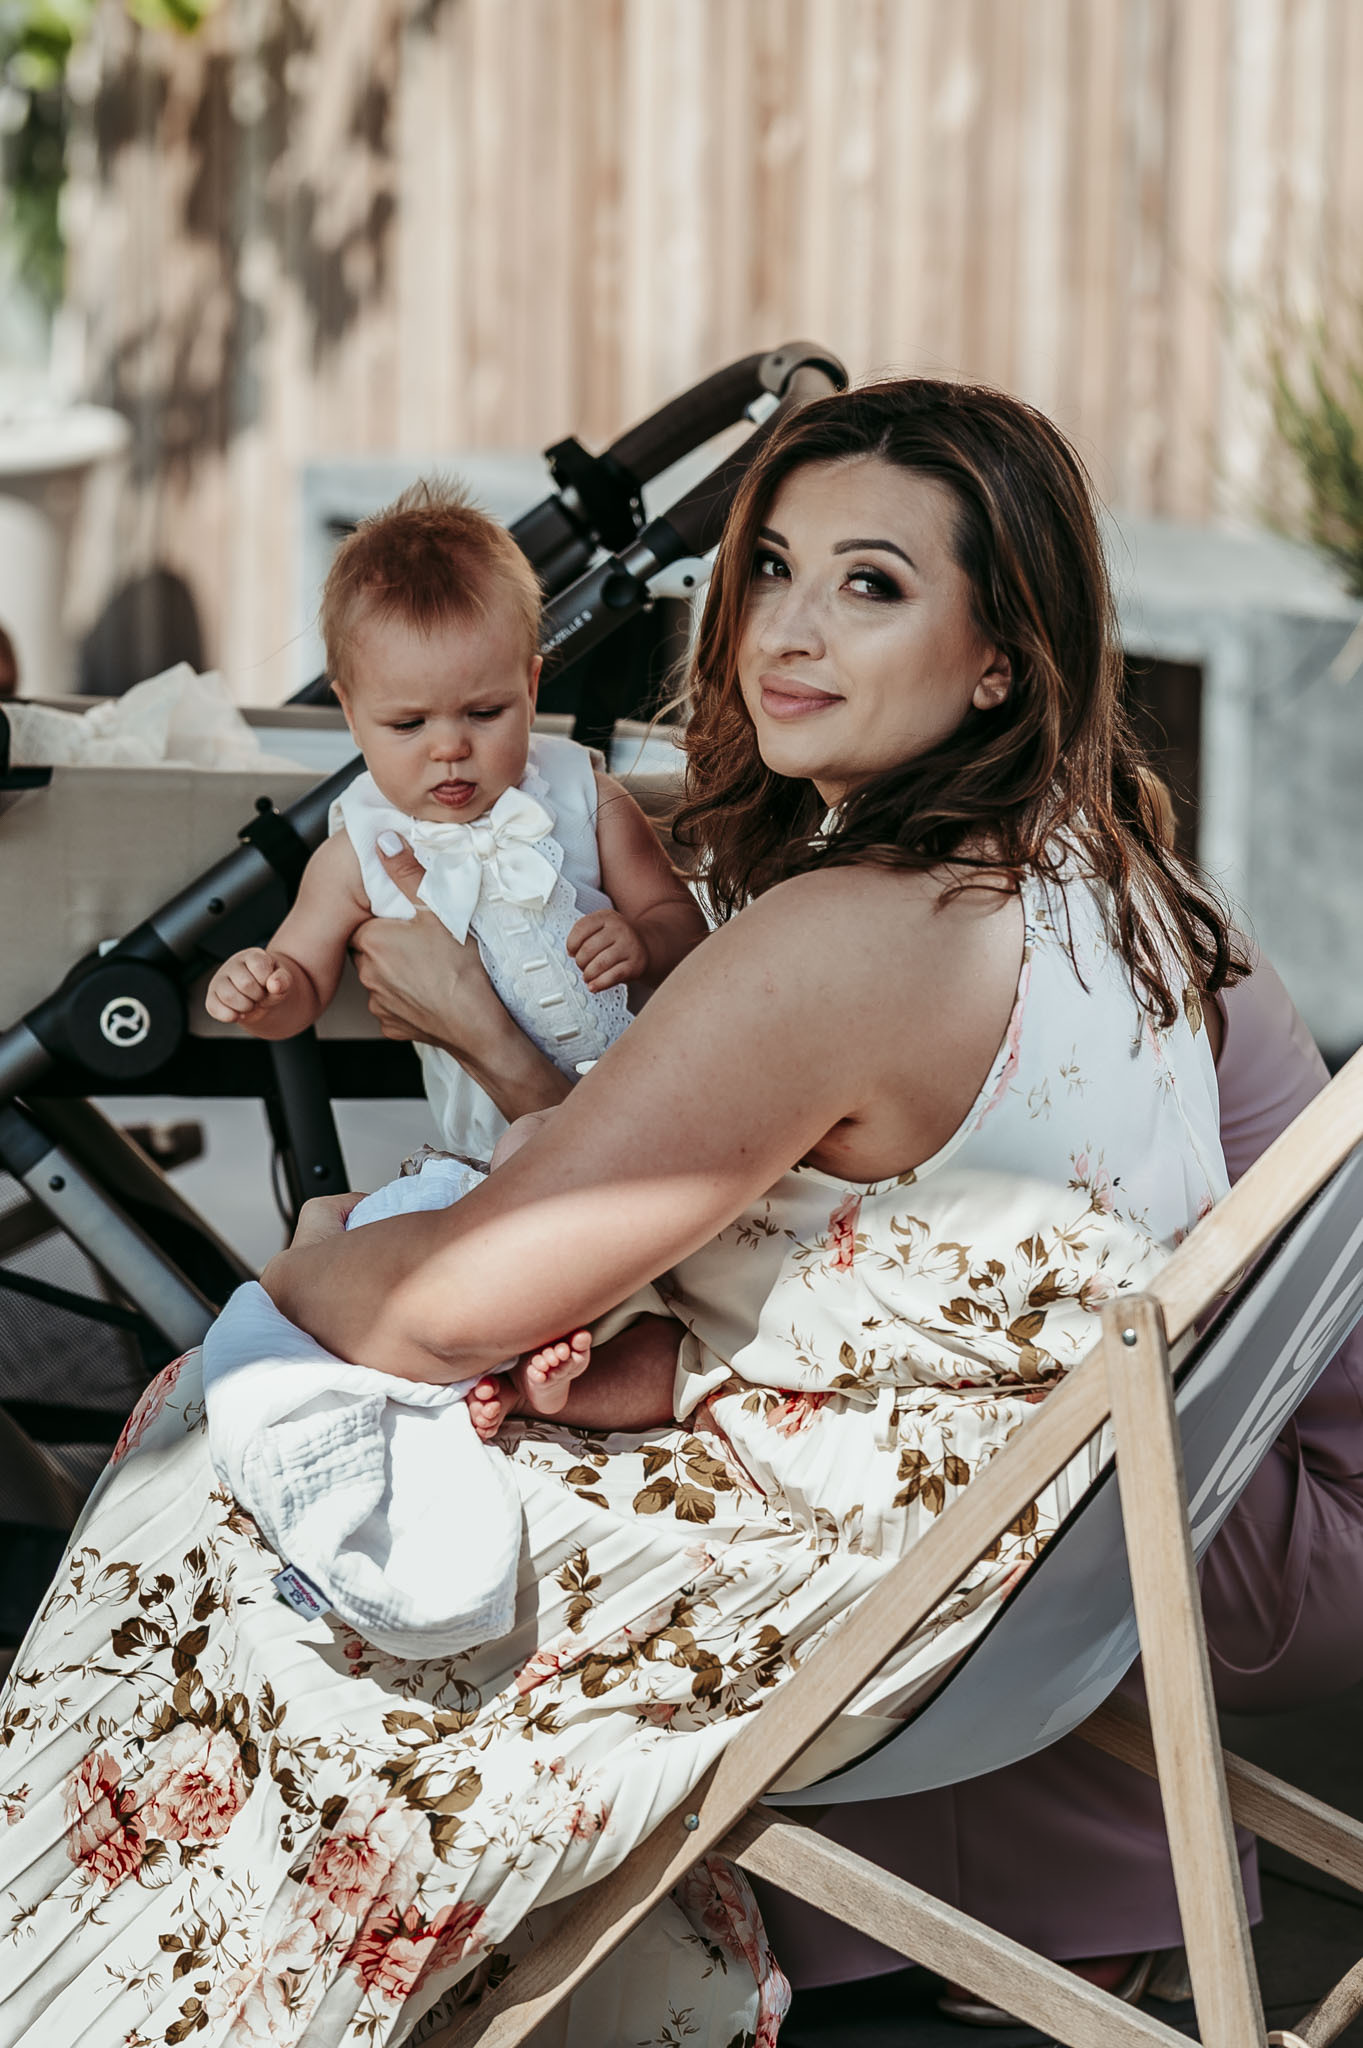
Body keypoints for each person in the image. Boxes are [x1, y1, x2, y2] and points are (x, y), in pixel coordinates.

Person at [0, 379, 1245, 2048]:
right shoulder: (1105, 874)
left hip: (863, 1592)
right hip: (1040, 1559)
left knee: (224, 1436)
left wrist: (307, 1275)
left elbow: (450, 1301)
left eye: (870, 585)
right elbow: (889, 1274)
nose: (786, 629)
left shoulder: (851, 937)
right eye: (773, 568)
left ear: (996, 657)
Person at [756, 944, 1363, 2023]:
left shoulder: (1017, 968)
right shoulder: (1132, 916)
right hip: (1273, 1460)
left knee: (877, 1420)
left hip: (1264, 1524)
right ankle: (1052, 1893)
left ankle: (1056, 1900)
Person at [206, 480, 707, 1167]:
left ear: (530, 688)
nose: (449, 747)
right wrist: (265, 989)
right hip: (497, 1140)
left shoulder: (585, 797)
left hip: (663, 1090)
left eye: (484, 713)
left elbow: (683, 926)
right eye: (408, 723)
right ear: (351, 714)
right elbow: (303, 983)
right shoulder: (359, 851)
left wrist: (644, 939)